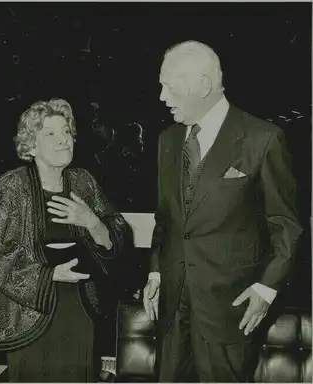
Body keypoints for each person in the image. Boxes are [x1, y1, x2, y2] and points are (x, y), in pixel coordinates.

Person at [142, 41, 303, 382]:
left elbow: (287, 225)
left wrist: (265, 289)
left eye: (169, 86)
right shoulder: (167, 140)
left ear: (204, 84)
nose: (161, 97)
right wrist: (156, 272)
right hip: (172, 307)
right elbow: (166, 219)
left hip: (231, 309)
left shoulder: (264, 139)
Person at [0, 98, 130, 382]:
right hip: (29, 315)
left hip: (81, 311)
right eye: (50, 134)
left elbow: (118, 237)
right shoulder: (12, 186)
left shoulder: (83, 182)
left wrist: (92, 221)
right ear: (31, 146)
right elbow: (0, 257)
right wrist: (51, 275)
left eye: (66, 132)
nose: (63, 141)